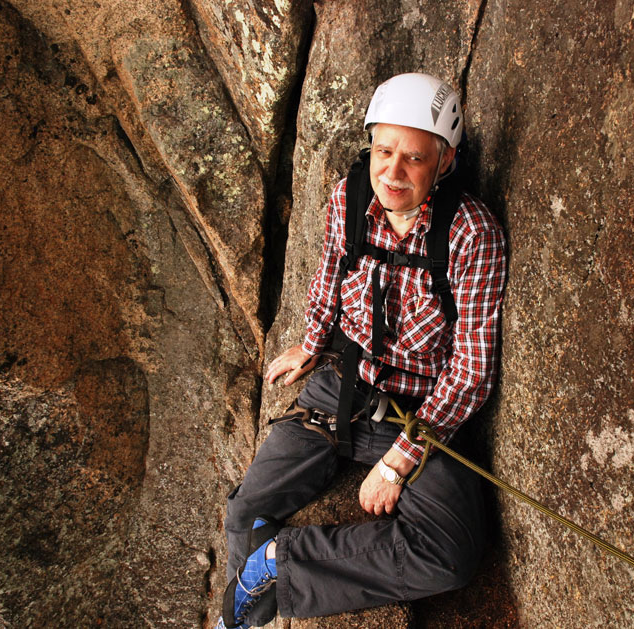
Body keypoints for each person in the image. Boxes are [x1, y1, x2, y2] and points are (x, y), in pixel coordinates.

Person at [216, 72, 508, 628]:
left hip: (421, 410)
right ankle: (251, 612)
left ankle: (280, 564)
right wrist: (311, 339)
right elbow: (330, 271)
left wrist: (400, 460)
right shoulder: (349, 199)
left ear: (444, 162)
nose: (392, 173)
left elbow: (470, 372)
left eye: (414, 159)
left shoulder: (471, 234)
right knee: (247, 510)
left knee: (449, 552)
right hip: (341, 388)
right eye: (383, 150)